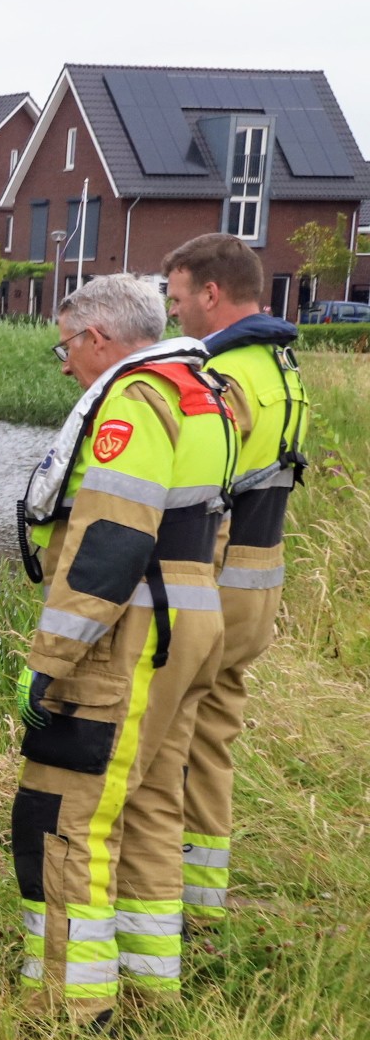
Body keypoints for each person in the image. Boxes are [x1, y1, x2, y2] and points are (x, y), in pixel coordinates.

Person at [12, 274, 234, 1020]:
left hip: (131, 629)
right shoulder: (203, 391)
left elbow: (110, 539)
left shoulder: (134, 402)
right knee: (149, 809)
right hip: (192, 614)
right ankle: (148, 988)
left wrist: (49, 661)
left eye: (66, 345)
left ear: (97, 337)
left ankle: (71, 1012)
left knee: (69, 818)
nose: (65, 361)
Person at [162, 234, 308, 933]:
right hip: (261, 582)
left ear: (212, 294)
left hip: (212, 585)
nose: (175, 315)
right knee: (213, 740)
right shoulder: (284, 367)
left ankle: (163, 910)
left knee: (171, 744)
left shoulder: (224, 376)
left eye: (179, 299)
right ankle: (204, 904)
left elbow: (201, 487)